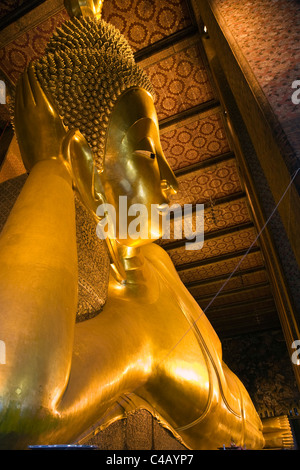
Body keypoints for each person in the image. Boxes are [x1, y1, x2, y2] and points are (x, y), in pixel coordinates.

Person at [0, 6, 265, 450]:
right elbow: (16, 402)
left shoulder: (158, 261)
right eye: (146, 152)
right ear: (84, 164)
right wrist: (49, 167)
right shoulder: (130, 326)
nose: (172, 179)